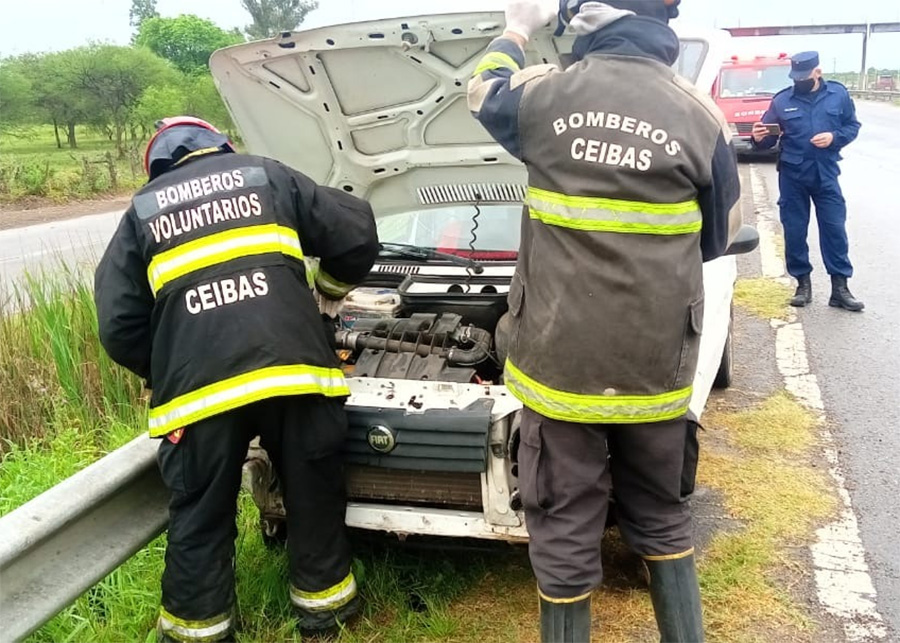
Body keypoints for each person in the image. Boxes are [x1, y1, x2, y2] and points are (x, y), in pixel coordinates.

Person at [468, 1, 742, 641]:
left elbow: (482, 92)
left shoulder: (544, 97)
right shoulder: (701, 115)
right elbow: (720, 237)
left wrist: (516, 27)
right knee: (662, 516)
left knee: (565, 528)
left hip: (561, 370)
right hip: (655, 372)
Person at [94, 116, 379, 642]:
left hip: (199, 393)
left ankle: (200, 632)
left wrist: (167, 368)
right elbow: (357, 232)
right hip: (295, 372)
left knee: (200, 513)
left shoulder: (143, 210)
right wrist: (327, 292)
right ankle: (326, 616)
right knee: (313, 493)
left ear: (157, 167)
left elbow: (117, 323)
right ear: (222, 146)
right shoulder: (267, 175)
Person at [751, 51, 863, 311]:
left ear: (818, 73)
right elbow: (767, 139)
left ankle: (840, 288)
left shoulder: (838, 95)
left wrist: (834, 137)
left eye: (804, 76)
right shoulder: (781, 101)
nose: (799, 81)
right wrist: (758, 137)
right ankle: (802, 284)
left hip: (826, 173)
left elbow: (852, 126)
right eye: (796, 77)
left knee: (835, 229)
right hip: (793, 176)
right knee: (795, 230)